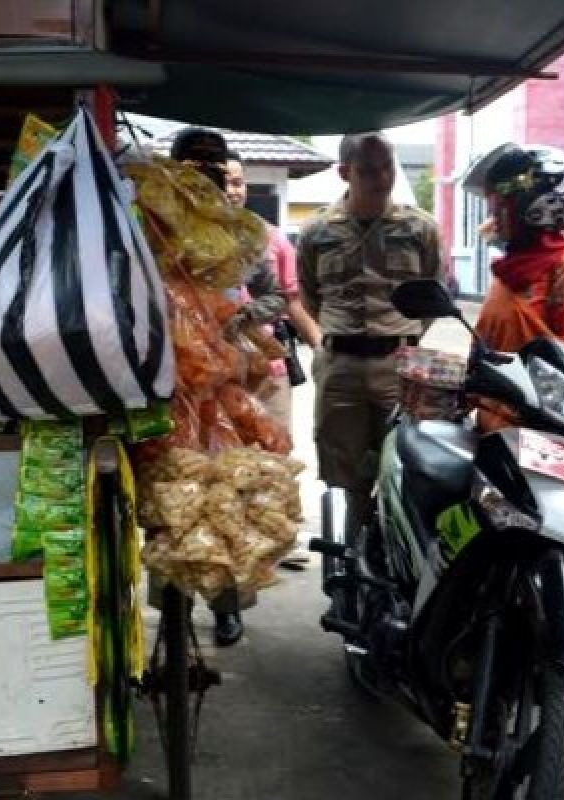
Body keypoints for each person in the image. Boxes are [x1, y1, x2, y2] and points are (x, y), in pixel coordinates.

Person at [169, 127, 287, 647]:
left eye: (211, 166)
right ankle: (170, 608)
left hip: (227, 385)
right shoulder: (154, 225)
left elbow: (273, 297)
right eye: (191, 166)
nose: (203, 174)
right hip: (170, 386)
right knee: (170, 502)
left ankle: (227, 607)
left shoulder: (245, 232)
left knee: (230, 497)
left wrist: (240, 322)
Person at [297, 131, 444, 536]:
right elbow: (311, 298)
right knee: (346, 480)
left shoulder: (420, 228)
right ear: (344, 172)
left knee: (411, 472)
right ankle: (353, 579)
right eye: (368, 170)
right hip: (340, 369)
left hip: (401, 368)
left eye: (387, 168)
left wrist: (403, 337)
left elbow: (432, 294)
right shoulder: (317, 231)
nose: (381, 179)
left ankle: (402, 580)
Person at [463, 143, 564, 430]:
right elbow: (488, 342)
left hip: (536, 431)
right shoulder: (510, 268)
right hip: (492, 421)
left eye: (501, 207)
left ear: (536, 207)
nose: (492, 217)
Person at [224, 152, 322, 433]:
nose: (232, 191)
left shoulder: (269, 237)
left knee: (273, 453)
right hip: (211, 366)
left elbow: (290, 300)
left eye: (238, 183)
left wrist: (320, 345)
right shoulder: (181, 239)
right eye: (224, 182)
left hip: (266, 366)